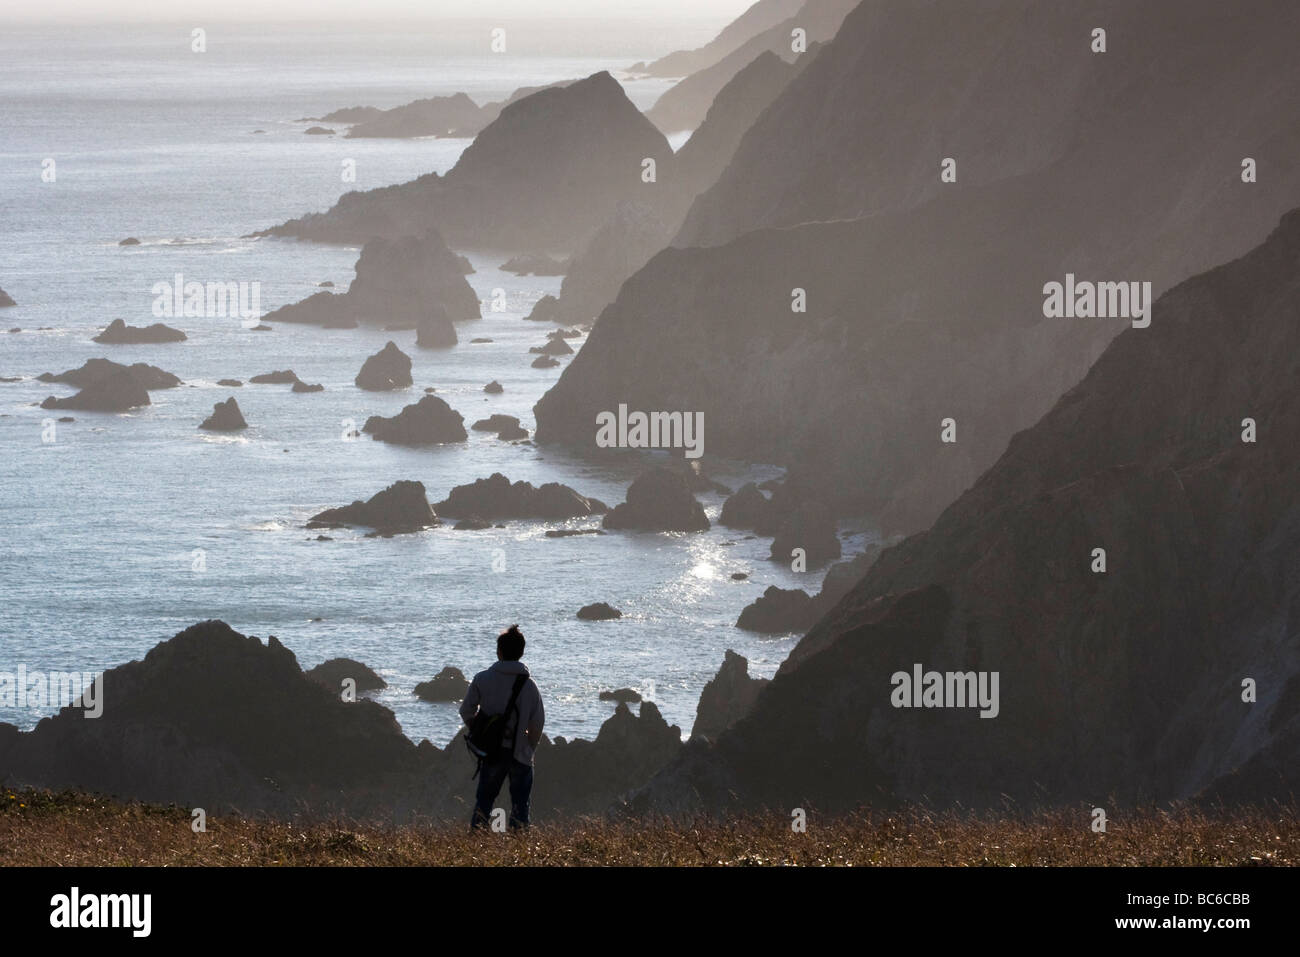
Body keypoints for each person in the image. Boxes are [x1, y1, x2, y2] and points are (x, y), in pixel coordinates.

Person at [460, 624, 545, 830]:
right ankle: (519, 849)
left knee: (484, 803)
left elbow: (466, 711)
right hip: (520, 753)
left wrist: (480, 731)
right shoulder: (530, 686)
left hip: (493, 752)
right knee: (520, 807)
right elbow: (537, 724)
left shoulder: (482, 678)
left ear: (499, 651)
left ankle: (477, 846)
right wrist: (528, 748)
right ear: (522, 652)